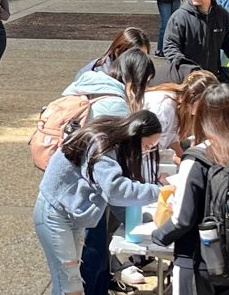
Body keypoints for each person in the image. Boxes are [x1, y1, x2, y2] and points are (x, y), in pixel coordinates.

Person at [35, 111, 164, 295]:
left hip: (71, 215)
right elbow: (115, 190)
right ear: (135, 136)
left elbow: (114, 196)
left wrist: (137, 219)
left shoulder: (115, 144)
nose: (147, 152)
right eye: (147, 146)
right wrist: (159, 192)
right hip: (54, 214)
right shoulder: (102, 144)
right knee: (70, 286)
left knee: (70, 281)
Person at [151, 84, 229, 295]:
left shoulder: (197, 158)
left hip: (197, 258)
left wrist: (158, 237)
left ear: (202, 116)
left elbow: (182, 219)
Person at [143, 69, 220, 159]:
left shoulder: (179, 106)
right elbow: (151, 144)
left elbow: (171, 137)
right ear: (192, 96)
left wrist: (183, 157)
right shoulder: (165, 106)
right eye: (205, 104)